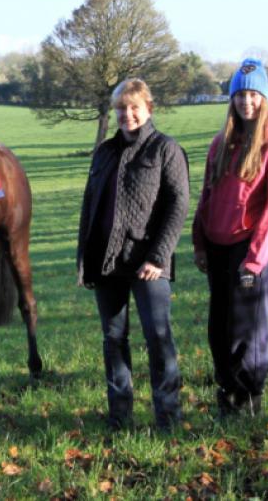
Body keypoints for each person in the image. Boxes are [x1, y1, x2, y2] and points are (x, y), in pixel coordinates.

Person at [77, 79, 189, 430]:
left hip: (148, 264)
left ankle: (168, 417)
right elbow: (90, 206)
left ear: (148, 108)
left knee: (158, 337)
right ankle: (119, 416)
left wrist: (159, 256)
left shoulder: (165, 150)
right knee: (114, 339)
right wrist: (84, 261)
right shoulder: (105, 152)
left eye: (134, 107)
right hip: (108, 263)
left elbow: (178, 205)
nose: (127, 114)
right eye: (121, 108)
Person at [193, 58, 268, 417]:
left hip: (250, 250)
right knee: (219, 328)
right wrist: (200, 243)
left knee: (246, 331)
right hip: (218, 247)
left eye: (253, 95)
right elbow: (207, 197)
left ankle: (248, 399)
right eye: (239, 95)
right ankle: (226, 394)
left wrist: (254, 260)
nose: (246, 102)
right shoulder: (220, 144)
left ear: (264, 98)